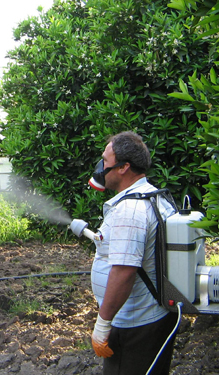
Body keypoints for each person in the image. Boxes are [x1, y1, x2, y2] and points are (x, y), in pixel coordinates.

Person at [88, 131, 178, 375]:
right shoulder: (154, 196)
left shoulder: (130, 210)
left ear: (123, 167)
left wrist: (103, 324)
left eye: (105, 161)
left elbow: (124, 272)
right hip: (150, 317)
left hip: (136, 326)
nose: (100, 167)